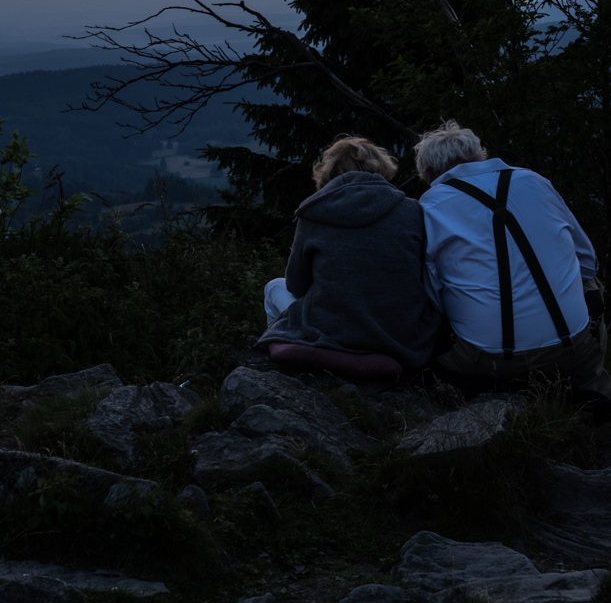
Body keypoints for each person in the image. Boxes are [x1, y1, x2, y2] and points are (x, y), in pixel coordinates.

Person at [414, 119, 611, 402]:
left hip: (486, 359)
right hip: (573, 347)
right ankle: (592, 385)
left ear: (431, 172)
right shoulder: (534, 181)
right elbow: (587, 262)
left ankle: (487, 392)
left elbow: (432, 294)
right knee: (590, 281)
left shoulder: (431, 203)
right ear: (478, 155)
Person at [257, 136, 442, 372]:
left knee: (274, 286)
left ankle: (277, 373)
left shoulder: (314, 212)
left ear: (329, 172)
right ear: (381, 166)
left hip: (332, 330)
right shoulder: (412, 210)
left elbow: (296, 285)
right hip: (399, 335)